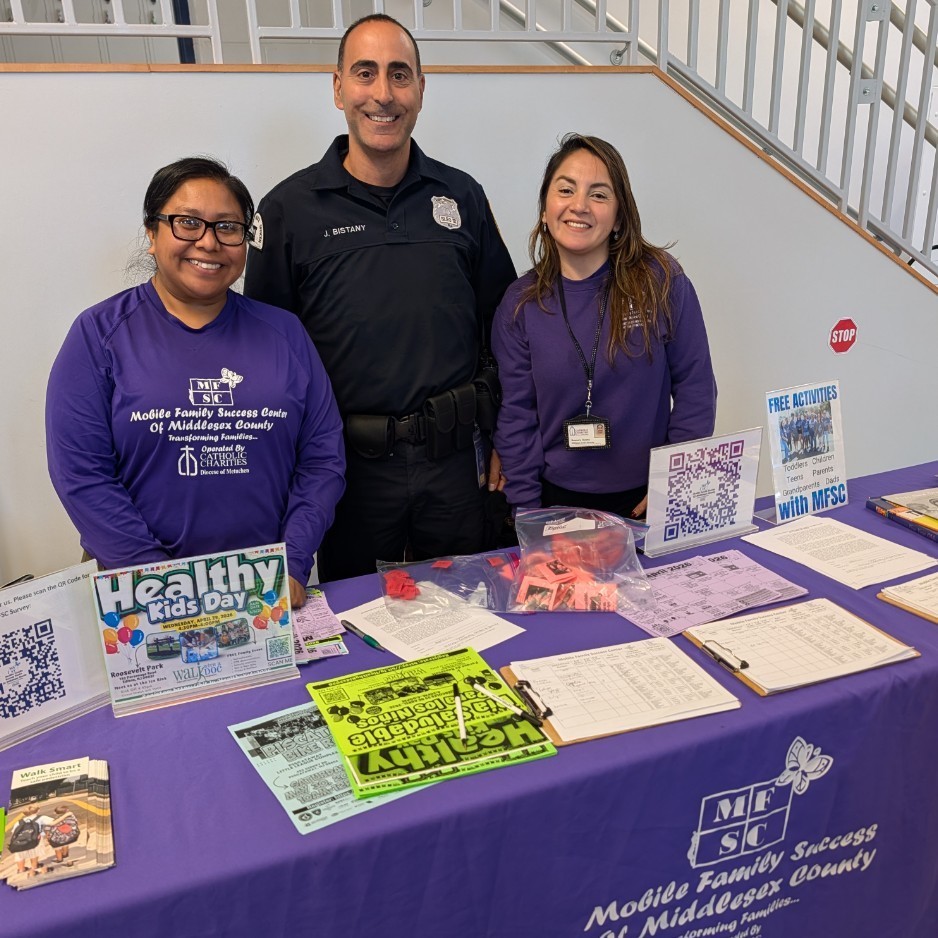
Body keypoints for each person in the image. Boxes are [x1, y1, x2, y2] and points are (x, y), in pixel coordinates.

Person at [244, 14, 516, 581]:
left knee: (475, 612)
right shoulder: (288, 210)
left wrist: (509, 439)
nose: (383, 94)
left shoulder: (462, 197)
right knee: (364, 632)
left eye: (399, 75)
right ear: (339, 86)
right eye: (365, 73)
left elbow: (507, 326)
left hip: (456, 469)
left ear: (421, 89)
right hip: (348, 476)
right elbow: (268, 360)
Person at [46, 157, 345, 608]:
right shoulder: (98, 335)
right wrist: (158, 581)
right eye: (187, 223)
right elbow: (82, 477)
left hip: (266, 589)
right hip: (141, 595)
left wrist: (293, 560)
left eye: (227, 227)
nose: (208, 242)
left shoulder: (285, 333)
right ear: (151, 232)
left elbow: (323, 459)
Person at [492, 133, 716, 519]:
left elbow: (696, 389)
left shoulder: (660, 282)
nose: (579, 206)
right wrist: (527, 512)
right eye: (566, 190)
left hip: (645, 502)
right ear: (545, 208)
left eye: (598, 195)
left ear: (618, 217)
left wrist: (672, 486)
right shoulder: (520, 304)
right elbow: (517, 417)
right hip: (554, 504)